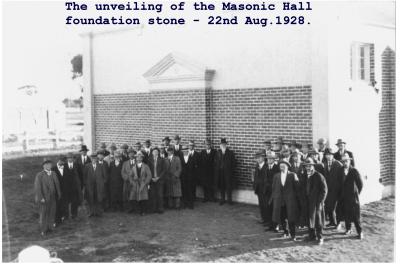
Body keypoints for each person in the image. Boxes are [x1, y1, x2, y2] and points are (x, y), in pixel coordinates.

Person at [269, 160, 299, 240]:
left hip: (290, 201)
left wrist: (295, 199)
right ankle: (286, 232)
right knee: (282, 217)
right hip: (280, 201)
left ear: (287, 167)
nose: (281, 167)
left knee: (291, 218)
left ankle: (293, 235)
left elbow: (297, 189)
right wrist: (274, 198)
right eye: (280, 166)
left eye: (283, 166)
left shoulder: (292, 175)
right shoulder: (276, 176)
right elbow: (274, 188)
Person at [302, 158, 328, 245]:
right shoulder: (304, 176)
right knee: (310, 219)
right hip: (307, 202)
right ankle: (311, 235)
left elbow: (324, 191)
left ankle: (320, 237)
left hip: (316, 203)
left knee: (318, 220)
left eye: (310, 166)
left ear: (313, 166)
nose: (308, 168)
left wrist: (320, 201)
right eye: (306, 166)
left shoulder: (319, 176)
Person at [34, 159, 61, 236]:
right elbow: (37, 188)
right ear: (44, 166)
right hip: (44, 198)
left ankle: (50, 227)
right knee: (44, 214)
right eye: (47, 164)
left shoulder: (54, 173)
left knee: (52, 212)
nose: (49, 166)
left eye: (50, 164)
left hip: (53, 197)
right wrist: (41, 197)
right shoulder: (39, 175)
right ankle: (43, 229)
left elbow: (57, 185)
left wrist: (59, 193)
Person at [340, 153, 364, 239]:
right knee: (346, 214)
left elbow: (360, 184)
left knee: (356, 216)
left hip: (353, 198)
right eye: (343, 161)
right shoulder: (341, 170)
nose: (345, 163)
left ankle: (360, 232)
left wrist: (356, 194)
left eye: (346, 161)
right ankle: (348, 229)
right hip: (344, 197)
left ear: (349, 161)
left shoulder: (354, 171)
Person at [323, 148, 343, 228]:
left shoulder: (338, 164)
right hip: (328, 189)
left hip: (336, 189)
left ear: (332, 155)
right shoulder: (324, 164)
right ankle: (332, 222)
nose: (328, 156)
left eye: (330, 155)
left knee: (335, 207)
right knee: (329, 206)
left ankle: (338, 223)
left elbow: (341, 177)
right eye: (327, 155)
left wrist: (340, 189)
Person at [214, 138, 236, 205]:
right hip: (220, 172)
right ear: (220, 145)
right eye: (222, 144)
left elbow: (234, 163)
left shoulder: (230, 153)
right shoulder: (218, 152)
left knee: (228, 186)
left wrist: (230, 171)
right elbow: (215, 163)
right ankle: (222, 199)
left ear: (226, 145)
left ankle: (229, 200)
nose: (223, 145)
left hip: (228, 173)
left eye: (224, 144)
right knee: (222, 186)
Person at [290, 150, 307, 228]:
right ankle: (296, 222)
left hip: (302, 189)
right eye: (294, 156)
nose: (295, 158)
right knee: (295, 206)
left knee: (303, 206)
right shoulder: (290, 166)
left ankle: (303, 223)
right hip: (293, 190)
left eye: (297, 156)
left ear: (300, 156)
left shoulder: (304, 165)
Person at [63, 152, 82, 219]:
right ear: (66, 159)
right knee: (66, 202)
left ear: (73, 159)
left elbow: (80, 176)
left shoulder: (77, 165)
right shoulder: (64, 166)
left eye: (71, 158)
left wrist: (80, 186)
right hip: (67, 187)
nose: (70, 159)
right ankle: (66, 215)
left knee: (75, 201)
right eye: (68, 158)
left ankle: (74, 214)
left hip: (75, 187)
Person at [148, 148, 167, 213]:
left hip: (159, 180)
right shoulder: (149, 160)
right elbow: (148, 170)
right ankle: (153, 208)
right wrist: (151, 178)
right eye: (154, 152)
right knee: (153, 194)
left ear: (158, 153)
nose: (155, 153)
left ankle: (160, 209)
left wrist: (158, 177)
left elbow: (164, 170)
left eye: (156, 152)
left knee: (160, 194)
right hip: (152, 180)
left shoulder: (161, 160)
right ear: (152, 153)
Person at [264, 151, 279, 231]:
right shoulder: (266, 167)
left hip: (275, 192)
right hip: (267, 192)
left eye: (271, 159)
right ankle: (270, 225)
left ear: (274, 159)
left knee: (275, 208)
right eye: (268, 159)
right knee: (268, 208)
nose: (269, 160)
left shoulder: (277, 167)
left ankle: (276, 225)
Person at [181, 142, 200, 209]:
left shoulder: (191, 157)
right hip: (183, 177)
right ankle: (184, 204)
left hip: (190, 177)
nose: (184, 151)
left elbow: (194, 167)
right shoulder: (181, 158)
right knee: (184, 190)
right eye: (183, 150)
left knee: (190, 190)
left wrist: (193, 176)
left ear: (187, 150)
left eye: (185, 150)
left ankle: (190, 204)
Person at [253, 150, 268, 226]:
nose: (258, 159)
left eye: (259, 158)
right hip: (259, 189)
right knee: (261, 205)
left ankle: (267, 220)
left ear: (263, 158)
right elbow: (255, 177)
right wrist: (255, 186)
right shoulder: (257, 166)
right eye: (257, 158)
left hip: (265, 189)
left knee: (266, 205)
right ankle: (263, 219)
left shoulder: (266, 166)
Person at [52, 155, 67, 226]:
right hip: (56, 191)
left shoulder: (66, 168)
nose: (63, 162)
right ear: (59, 160)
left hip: (64, 190)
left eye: (64, 161)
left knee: (63, 204)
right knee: (57, 205)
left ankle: (62, 217)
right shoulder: (53, 169)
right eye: (62, 161)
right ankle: (56, 220)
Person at [122, 147, 136, 212]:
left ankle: (135, 208)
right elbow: (123, 172)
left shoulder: (137, 162)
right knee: (127, 194)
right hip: (127, 182)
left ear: (134, 154)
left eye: (132, 153)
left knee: (135, 194)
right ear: (128, 155)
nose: (131, 155)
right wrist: (127, 178)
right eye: (130, 154)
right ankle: (128, 208)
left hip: (135, 181)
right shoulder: (125, 163)